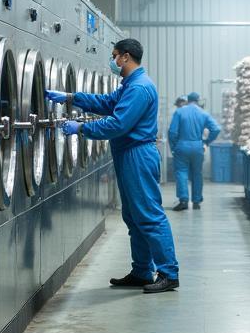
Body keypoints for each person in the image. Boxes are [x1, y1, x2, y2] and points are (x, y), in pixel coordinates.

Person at [46, 38, 180, 294]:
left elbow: (118, 124)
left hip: (137, 155)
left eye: (115, 55)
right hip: (128, 153)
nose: (113, 60)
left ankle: (168, 273)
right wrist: (71, 98)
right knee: (133, 216)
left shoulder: (140, 88)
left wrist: (82, 128)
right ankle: (142, 271)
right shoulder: (130, 85)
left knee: (149, 215)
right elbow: (107, 103)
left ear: (126, 57)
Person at [167, 91, 221, 211]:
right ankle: (196, 201)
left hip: (182, 145)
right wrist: (206, 142)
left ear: (188, 100)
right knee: (197, 173)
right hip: (198, 146)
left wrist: (174, 147)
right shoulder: (203, 113)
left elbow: (172, 132)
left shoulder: (179, 112)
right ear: (198, 101)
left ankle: (184, 200)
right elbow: (216, 129)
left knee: (181, 172)